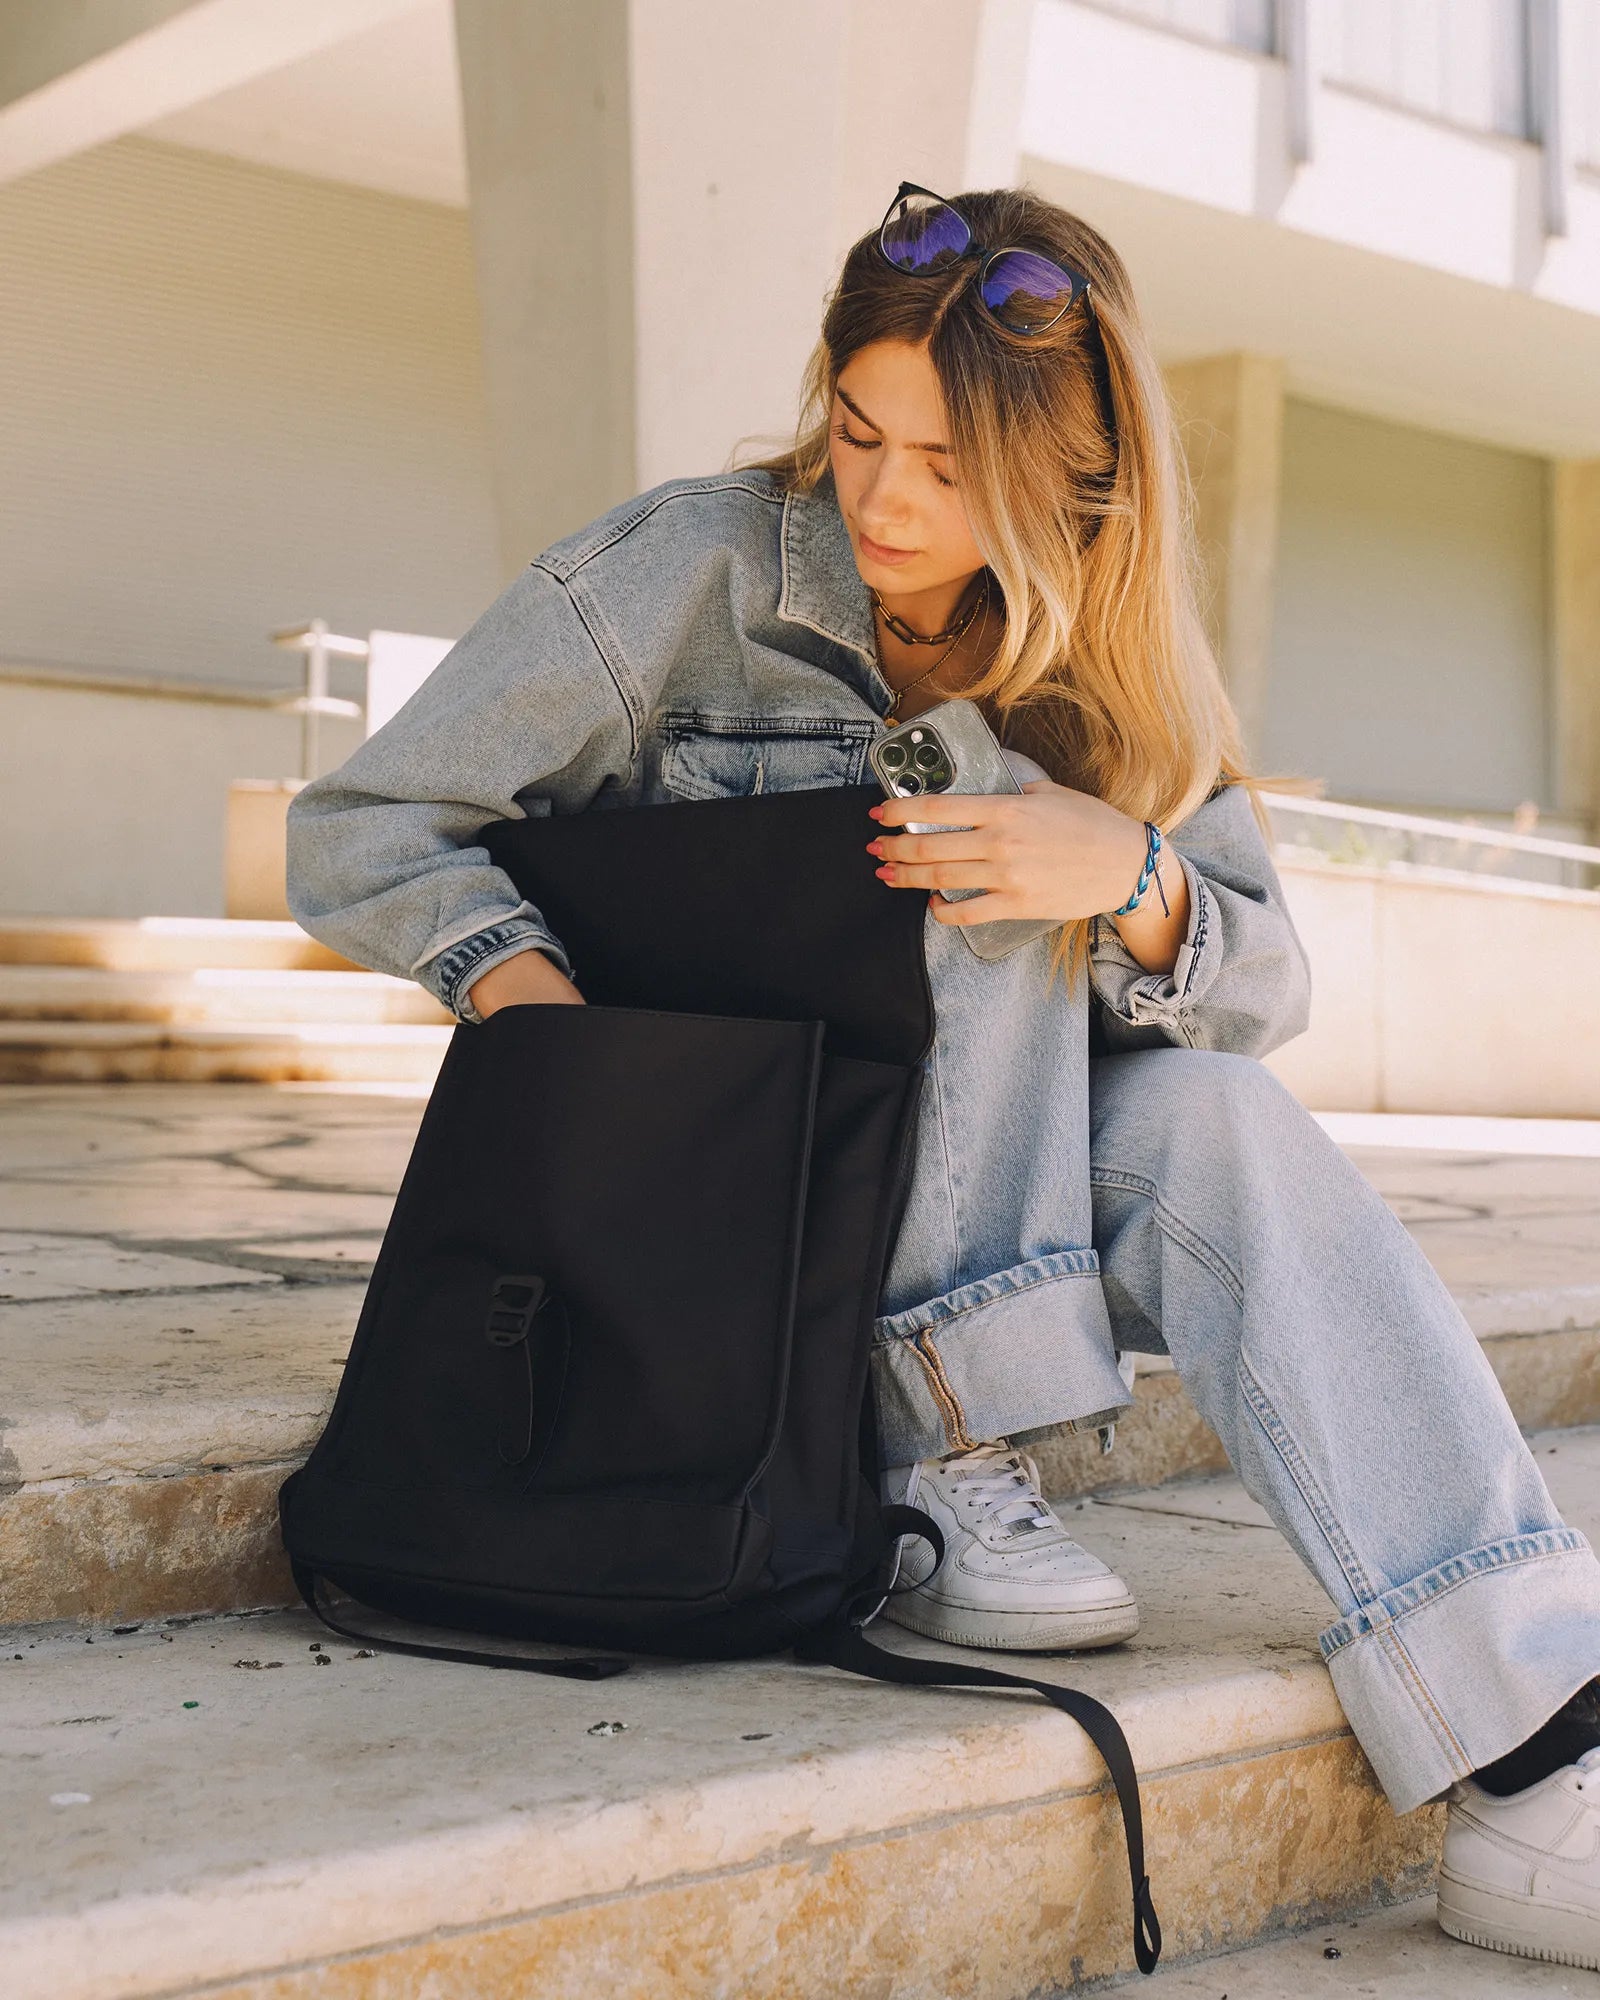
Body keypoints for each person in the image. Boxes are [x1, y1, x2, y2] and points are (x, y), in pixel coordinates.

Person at [285, 182, 1600, 1972]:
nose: (887, 502)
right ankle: (952, 1448)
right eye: (858, 431)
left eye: (953, 466)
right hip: (719, 1182)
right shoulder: (682, 570)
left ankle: (1537, 1738)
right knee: (953, 838)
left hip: (983, 1186)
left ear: (1072, 476)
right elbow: (363, 825)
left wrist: (1122, 876)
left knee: (1212, 1110)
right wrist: (537, 1018)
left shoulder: (1115, 652)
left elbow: (1263, 982)